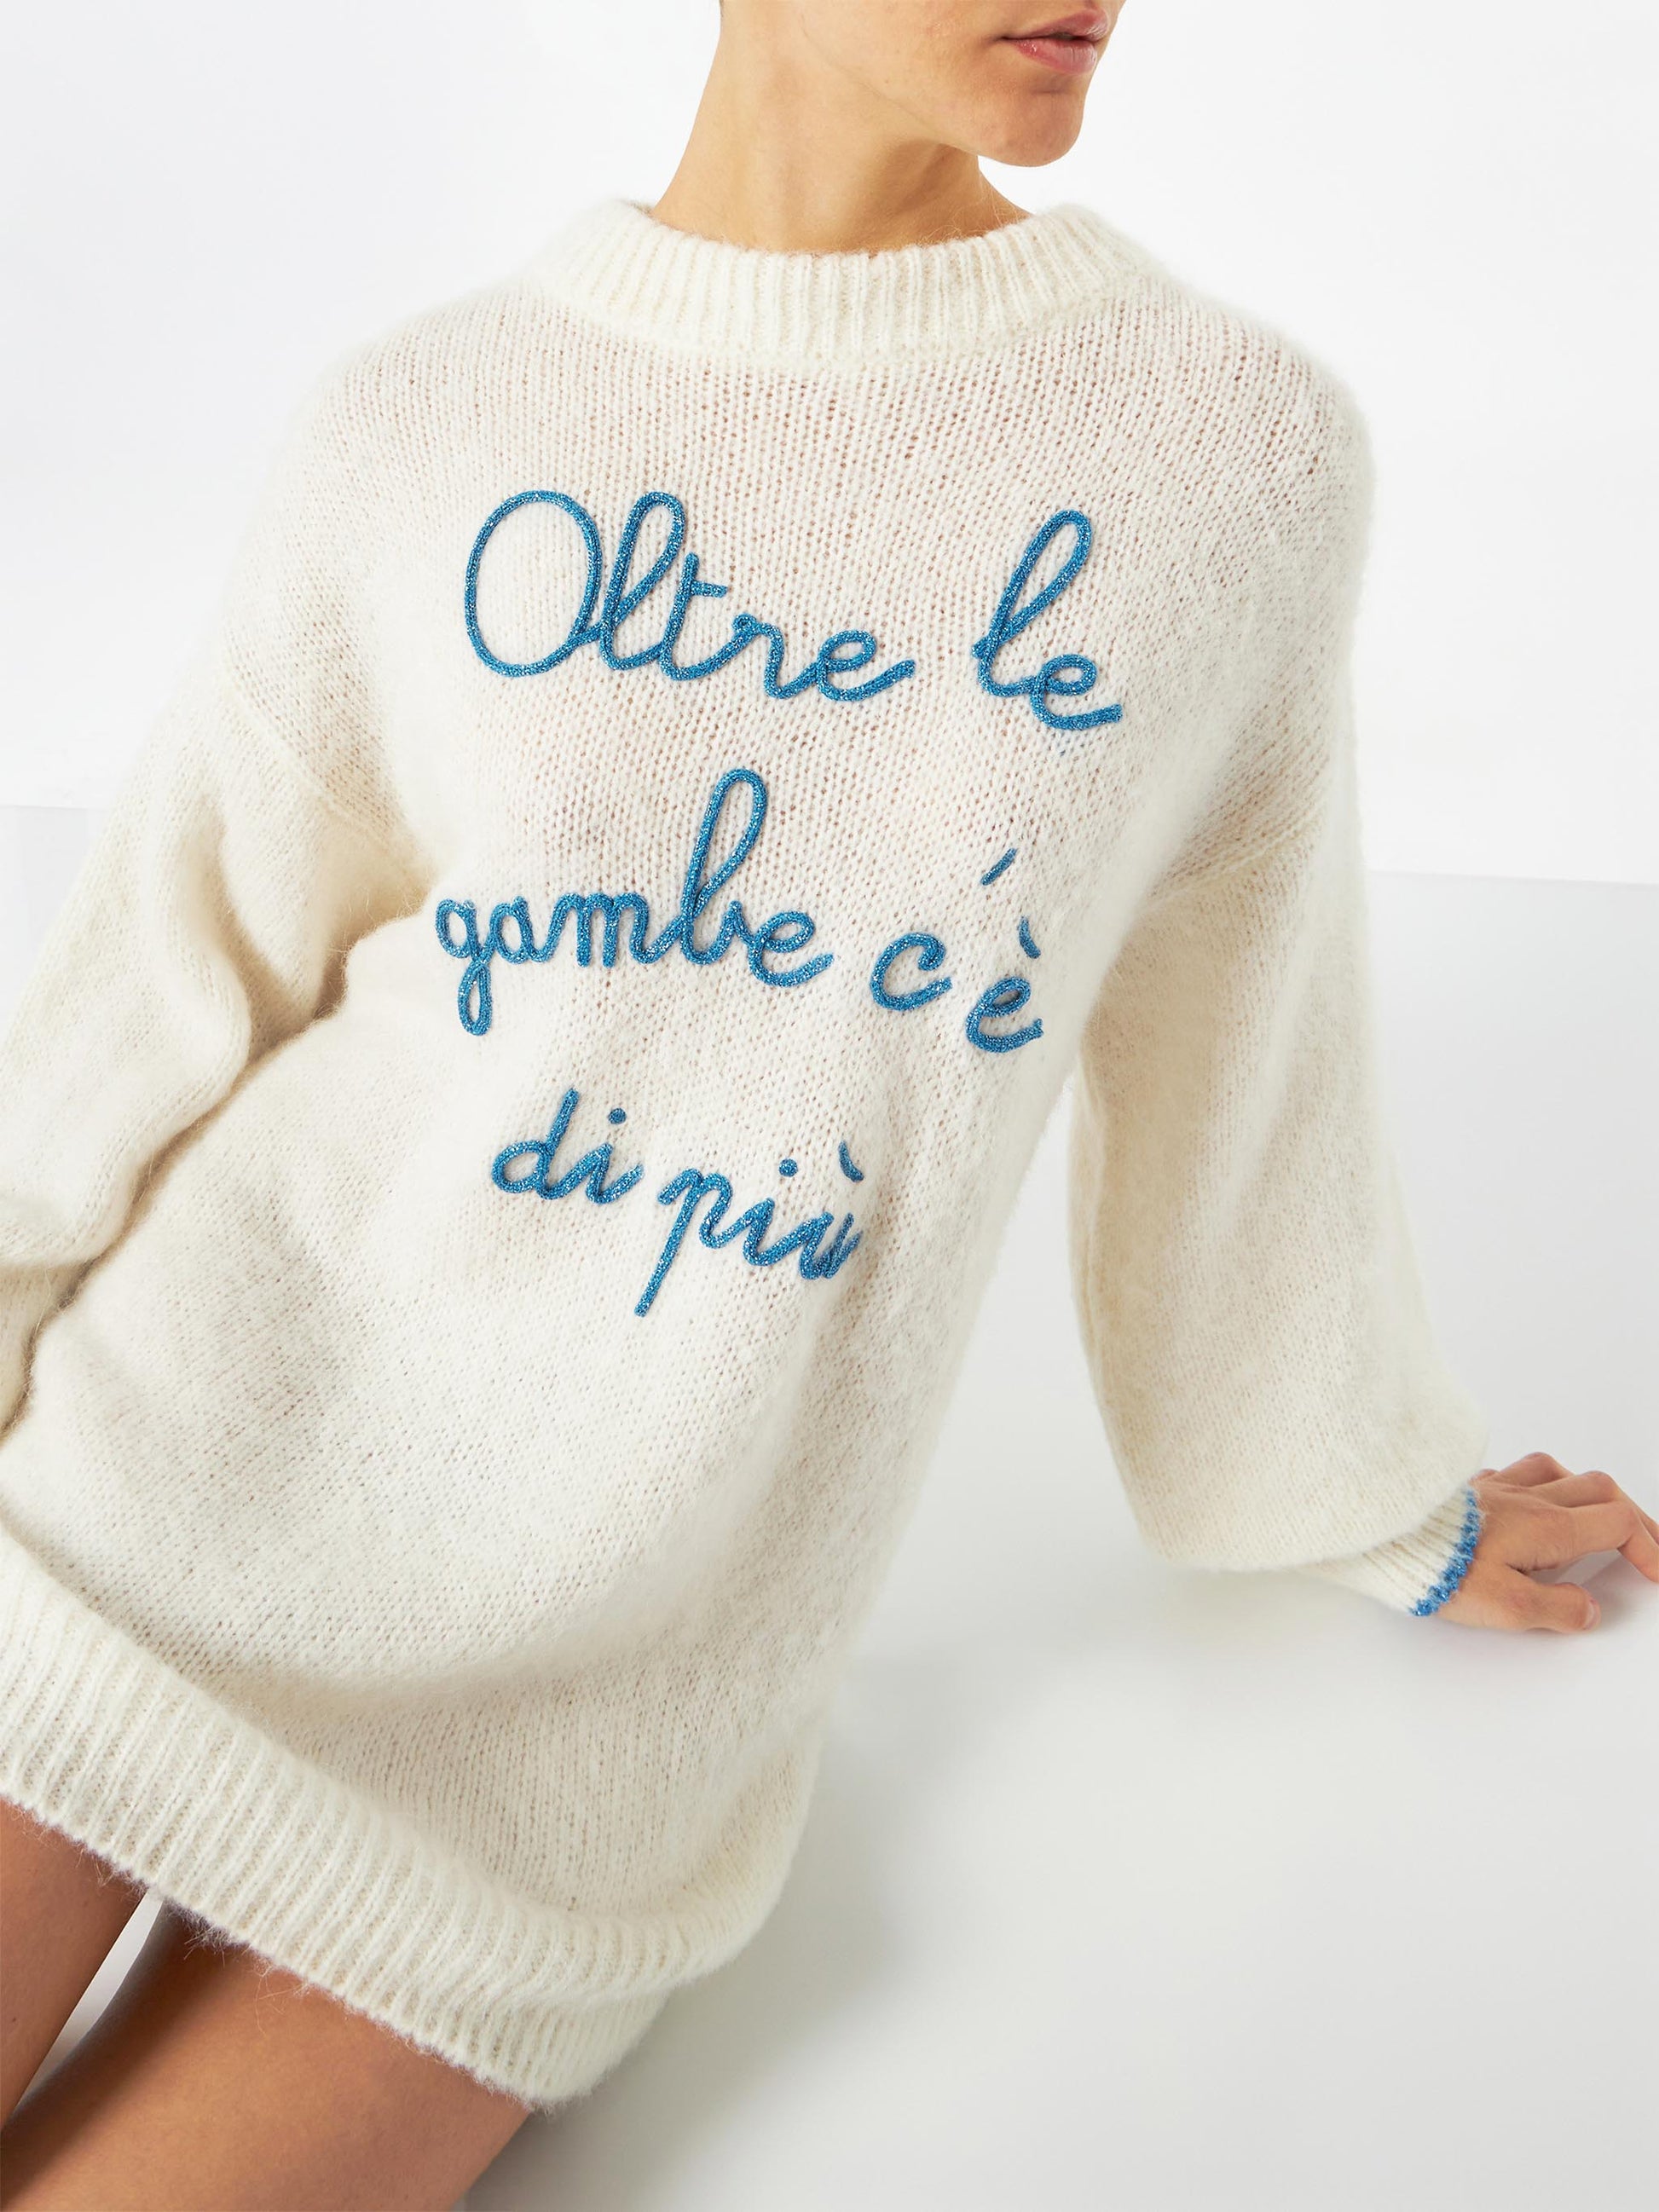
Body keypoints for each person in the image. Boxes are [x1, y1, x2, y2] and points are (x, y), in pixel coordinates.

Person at [2, 2, 1654, 2204]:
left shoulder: (1226, 458)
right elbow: (175, 953)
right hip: (151, 1502)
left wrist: (1348, 1472)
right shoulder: (423, 425)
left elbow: (1241, 1028)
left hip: (597, 1730)